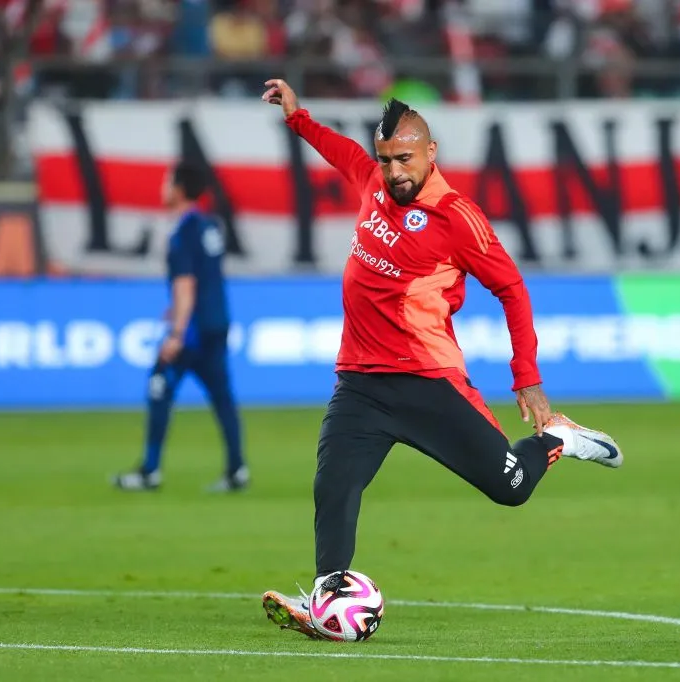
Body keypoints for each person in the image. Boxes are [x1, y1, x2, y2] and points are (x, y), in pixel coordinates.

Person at [258, 80, 624, 638]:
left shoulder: (457, 217)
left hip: (429, 385)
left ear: (431, 153)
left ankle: (557, 439)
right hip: (359, 383)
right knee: (333, 485)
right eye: (386, 160)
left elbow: (513, 289)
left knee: (510, 489)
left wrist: (526, 377)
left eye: (404, 158)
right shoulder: (373, 183)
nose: (393, 171)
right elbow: (345, 154)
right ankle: (328, 597)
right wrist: (297, 117)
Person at [113, 161, 248, 493]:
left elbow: (186, 282)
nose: (162, 188)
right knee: (222, 397)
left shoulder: (183, 231)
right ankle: (237, 470)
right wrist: (174, 309)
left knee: (159, 386)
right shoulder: (209, 225)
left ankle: (149, 471)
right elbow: (204, 278)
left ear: (177, 189)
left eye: (166, 182)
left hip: (194, 330)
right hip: (217, 321)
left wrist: (176, 331)